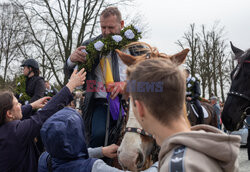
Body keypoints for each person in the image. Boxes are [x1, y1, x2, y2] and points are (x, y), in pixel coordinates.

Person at [126, 57, 240, 171]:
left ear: (140, 108)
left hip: (194, 99)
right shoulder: (215, 152)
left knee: (199, 108)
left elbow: (197, 93)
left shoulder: (176, 167)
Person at [64, 7, 142, 148]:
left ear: (122, 24)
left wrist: (126, 86)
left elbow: (149, 76)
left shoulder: (136, 47)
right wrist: (71, 59)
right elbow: (72, 74)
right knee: (98, 135)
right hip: (101, 103)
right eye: (103, 27)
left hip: (131, 102)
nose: (106, 32)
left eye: (111, 27)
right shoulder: (91, 46)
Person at [0, 68, 86, 172]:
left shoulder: (4, 124)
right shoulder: (16, 132)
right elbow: (44, 114)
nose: (21, 104)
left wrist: (32, 105)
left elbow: (21, 110)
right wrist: (71, 85)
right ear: (9, 114)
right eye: (17, 103)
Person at [38, 106, 158, 172]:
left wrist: (101, 151)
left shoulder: (44, 158)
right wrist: (162, 161)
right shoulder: (94, 168)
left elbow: (69, 157)